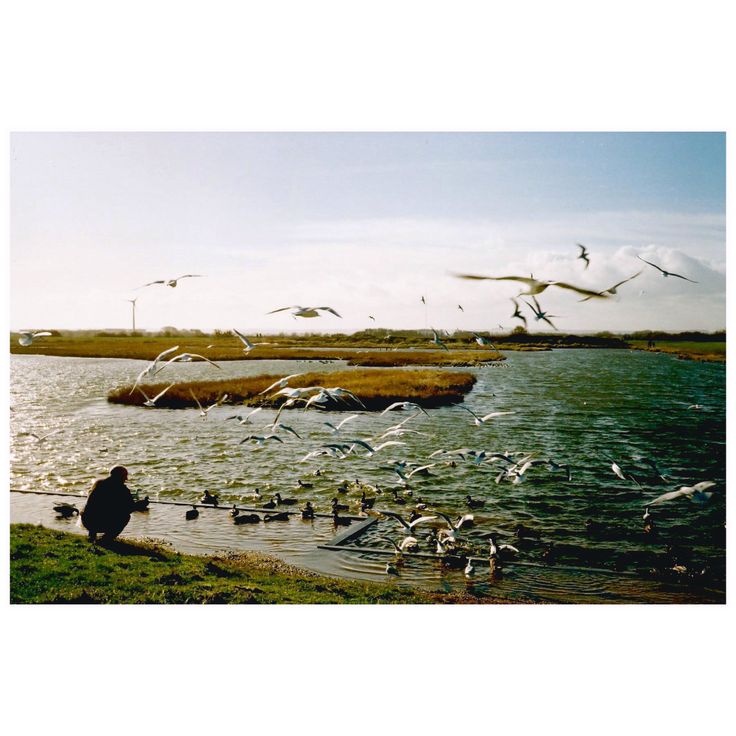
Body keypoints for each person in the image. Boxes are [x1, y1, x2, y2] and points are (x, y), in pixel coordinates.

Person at [81, 465, 142, 544]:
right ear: (121, 477)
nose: (125, 480)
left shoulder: (98, 483)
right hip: (100, 522)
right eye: (125, 477)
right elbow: (129, 508)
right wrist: (139, 505)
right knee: (125, 516)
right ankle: (106, 539)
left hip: (86, 520)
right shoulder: (122, 489)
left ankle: (92, 535)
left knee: (96, 509)